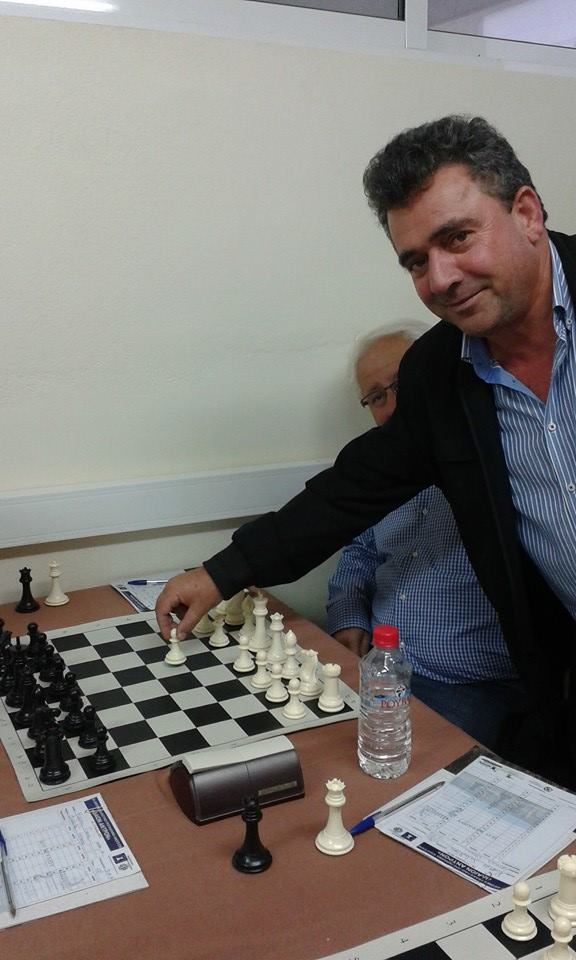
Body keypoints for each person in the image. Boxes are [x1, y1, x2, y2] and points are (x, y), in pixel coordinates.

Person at [156, 115, 576, 787]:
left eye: (457, 238)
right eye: (416, 261)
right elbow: (350, 492)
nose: (440, 277)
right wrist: (221, 572)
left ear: (525, 212)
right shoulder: (439, 372)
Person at [326, 322, 528, 749]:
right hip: (379, 666)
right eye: (376, 397)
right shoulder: (378, 471)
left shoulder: (500, 455)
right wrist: (348, 617)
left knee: (397, 774)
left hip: (471, 685)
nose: (392, 406)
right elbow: (360, 553)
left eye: (401, 384)